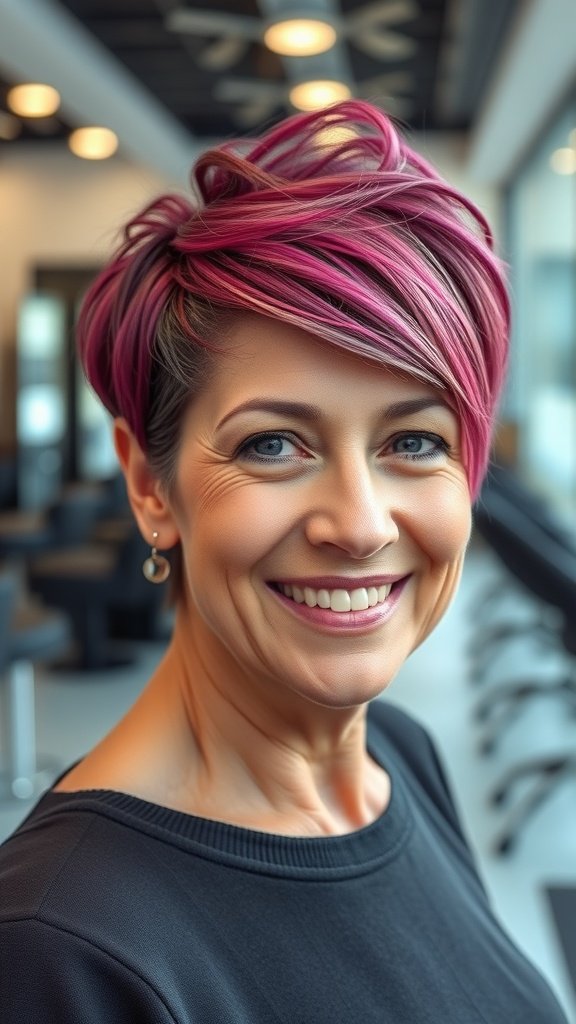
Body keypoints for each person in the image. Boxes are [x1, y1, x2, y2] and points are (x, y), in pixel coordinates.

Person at [0, 101, 569, 1023]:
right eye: (272, 446)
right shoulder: (60, 950)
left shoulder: (399, 755)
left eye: (415, 442)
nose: (360, 525)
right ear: (149, 485)